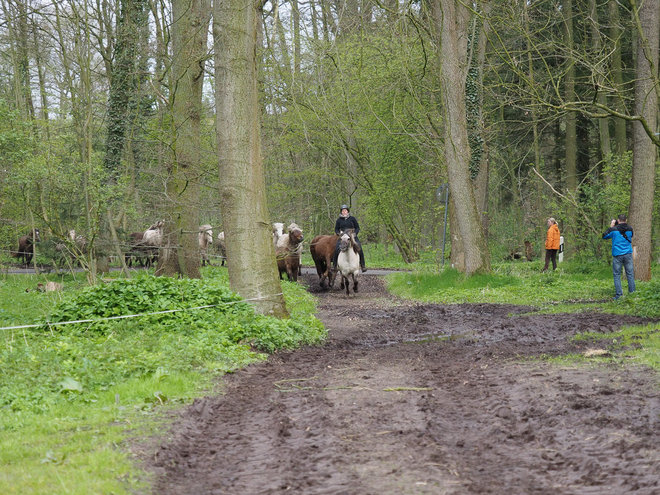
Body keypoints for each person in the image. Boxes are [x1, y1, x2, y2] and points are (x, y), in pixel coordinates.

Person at [603, 214, 635, 300]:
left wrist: (611, 226)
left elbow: (604, 236)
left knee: (617, 275)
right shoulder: (630, 229)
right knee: (630, 274)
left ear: (618, 220)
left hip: (617, 255)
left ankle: (619, 295)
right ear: (626, 220)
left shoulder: (614, 230)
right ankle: (632, 293)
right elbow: (631, 236)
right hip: (628, 254)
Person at [332, 205, 366, 272]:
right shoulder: (339, 220)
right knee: (336, 248)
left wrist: (355, 234)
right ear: (341, 212)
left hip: (352, 236)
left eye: (345, 211)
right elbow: (336, 229)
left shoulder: (352, 219)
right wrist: (339, 234)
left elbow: (357, 227)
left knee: (359, 247)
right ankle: (334, 265)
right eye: (342, 211)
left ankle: (363, 265)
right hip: (343, 237)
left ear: (347, 211)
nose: (344, 212)